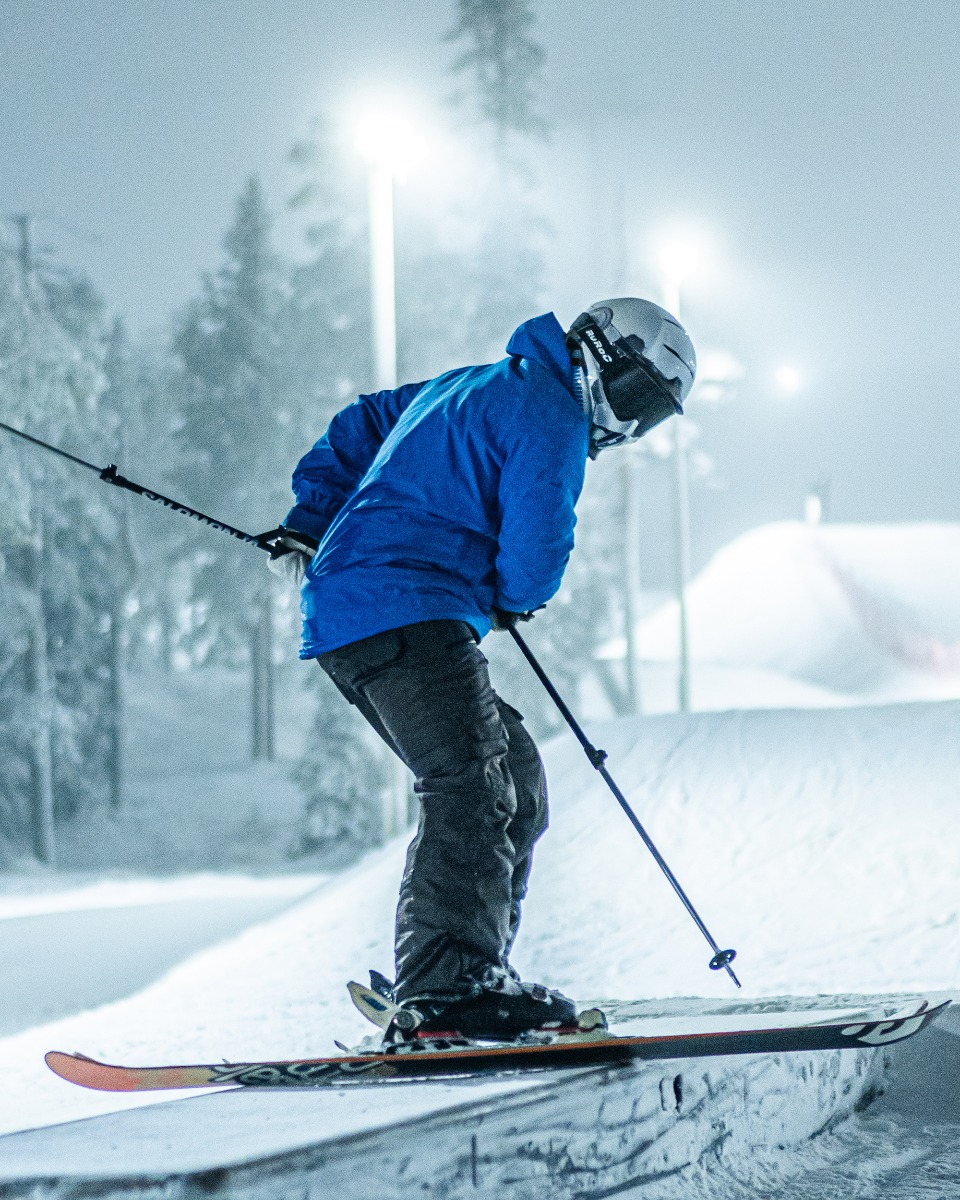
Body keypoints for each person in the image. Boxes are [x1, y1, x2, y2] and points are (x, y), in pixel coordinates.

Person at [271, 298, 696, 1044]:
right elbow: (537, 548)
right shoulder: (553, 414)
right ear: (603, 358)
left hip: (370, 613)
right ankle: (448, 988)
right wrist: (512, 596)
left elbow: (365, 421)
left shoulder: (476, 383)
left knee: (516, 780)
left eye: (650, 416)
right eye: (636, 400)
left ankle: (465, 971)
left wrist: (312, 518)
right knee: (472, 785)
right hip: (404, 607)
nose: (629, 426)